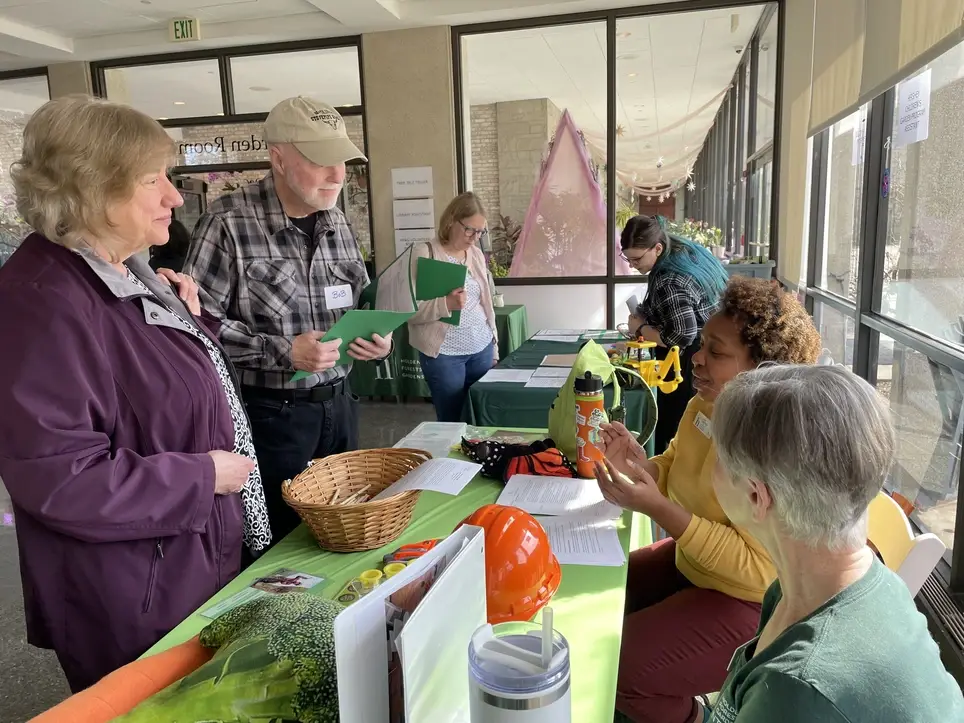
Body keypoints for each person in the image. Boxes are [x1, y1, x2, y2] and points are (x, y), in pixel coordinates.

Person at [0, 96, 268, 692]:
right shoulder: (40, 302)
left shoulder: (125, 269)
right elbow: (61, 478)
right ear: (91, 191)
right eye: (154, 180)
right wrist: (202, 477)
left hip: (183, 564)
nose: (174, 196)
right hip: (132, 594)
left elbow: (153, 387)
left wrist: (189, 324)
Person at [594, 276, 822, 723]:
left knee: (621, 665)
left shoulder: (773, 447)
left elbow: (759, 570)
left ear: (763, 369)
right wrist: (643, 466)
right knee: (600, 597)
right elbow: (677, 459)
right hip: (696, 565)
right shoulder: (706, 404)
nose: (696, 358)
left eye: (716, 352)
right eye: (702, 344)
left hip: (756, 603)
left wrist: (659, 509)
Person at [185, 96, 392, 544]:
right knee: (285, 543)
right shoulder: (228, 222)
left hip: (342, 405)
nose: (338, 174)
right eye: (321, 161)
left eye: (341, 160)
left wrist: (375, 339)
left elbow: (355, 303)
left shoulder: (338, 219)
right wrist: (283, 351)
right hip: (272, 416)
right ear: (278, 159)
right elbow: (197, 331)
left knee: (347, 527)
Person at [709, 364, 964, 722]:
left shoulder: (795, 690)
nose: (712, 466)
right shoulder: (859, 586)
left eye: (718, 455)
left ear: (756, 496)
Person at [621, 215, 728, 453]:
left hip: (689, 358)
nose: (632, 265)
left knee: (674, 426)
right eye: (627, 259)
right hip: (711, 346)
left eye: (636, 258)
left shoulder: (670, 279)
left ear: (657, 248)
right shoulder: (680, 250)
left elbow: (681, 336)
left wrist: (639, 329)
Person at [408, 192, 498, 422]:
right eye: (470, 229)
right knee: (451, 422)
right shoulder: (425, 253)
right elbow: (409, 310)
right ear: (451, 221)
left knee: (481, 419)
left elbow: (486, 304)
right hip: (445, 356)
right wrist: (445, 304)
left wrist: (493, 345)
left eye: (480, 231)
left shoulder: (476, 254)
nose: (475, 237)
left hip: (481, 350)